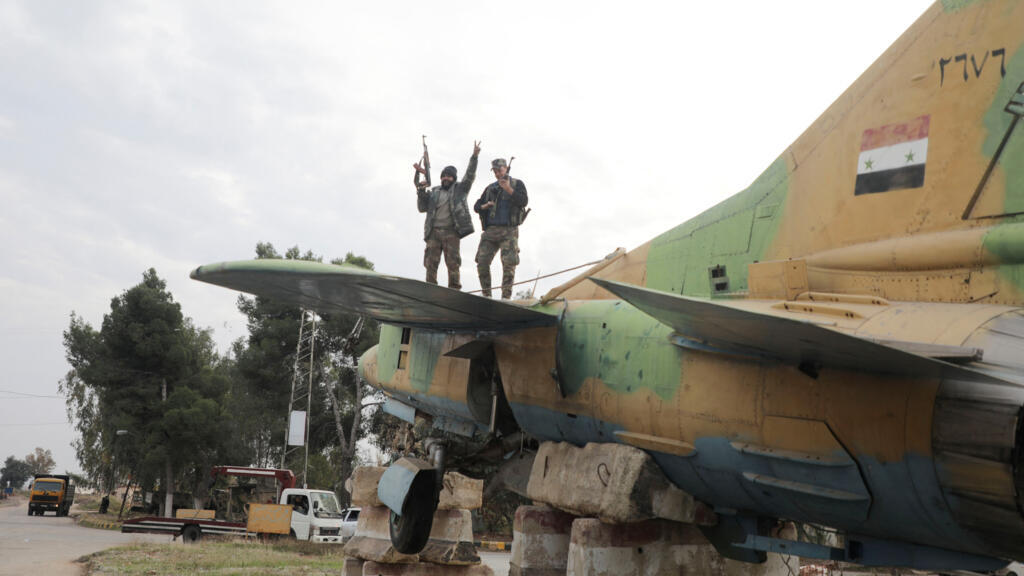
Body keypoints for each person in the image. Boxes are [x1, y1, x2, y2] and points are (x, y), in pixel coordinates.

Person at [415, 141, 481, 289]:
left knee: (453, 263)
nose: (446, 178)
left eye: (449, 176)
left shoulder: (460, 190)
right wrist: (420, 191)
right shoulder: (435, 192)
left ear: (454, 178)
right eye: (443, 176)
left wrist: (474, 157)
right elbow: (422, 208)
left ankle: (454, 290)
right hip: (434, 232)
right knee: (430, 263)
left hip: (451, 231)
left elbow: (469, 175)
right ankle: (431, 289)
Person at [474, 158, 529, 299]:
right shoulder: (490, 188)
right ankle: (486, 295)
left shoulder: (517, 184)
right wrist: (485, 206)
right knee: (482, 262)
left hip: (509, 230)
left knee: (509, 265)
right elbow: (476, 206)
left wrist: (508, 189)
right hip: (491, 231)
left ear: (506, 168)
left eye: (500, 170)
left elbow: (524, 201)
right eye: (495, 171)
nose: (498, 173)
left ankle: (505, 297)